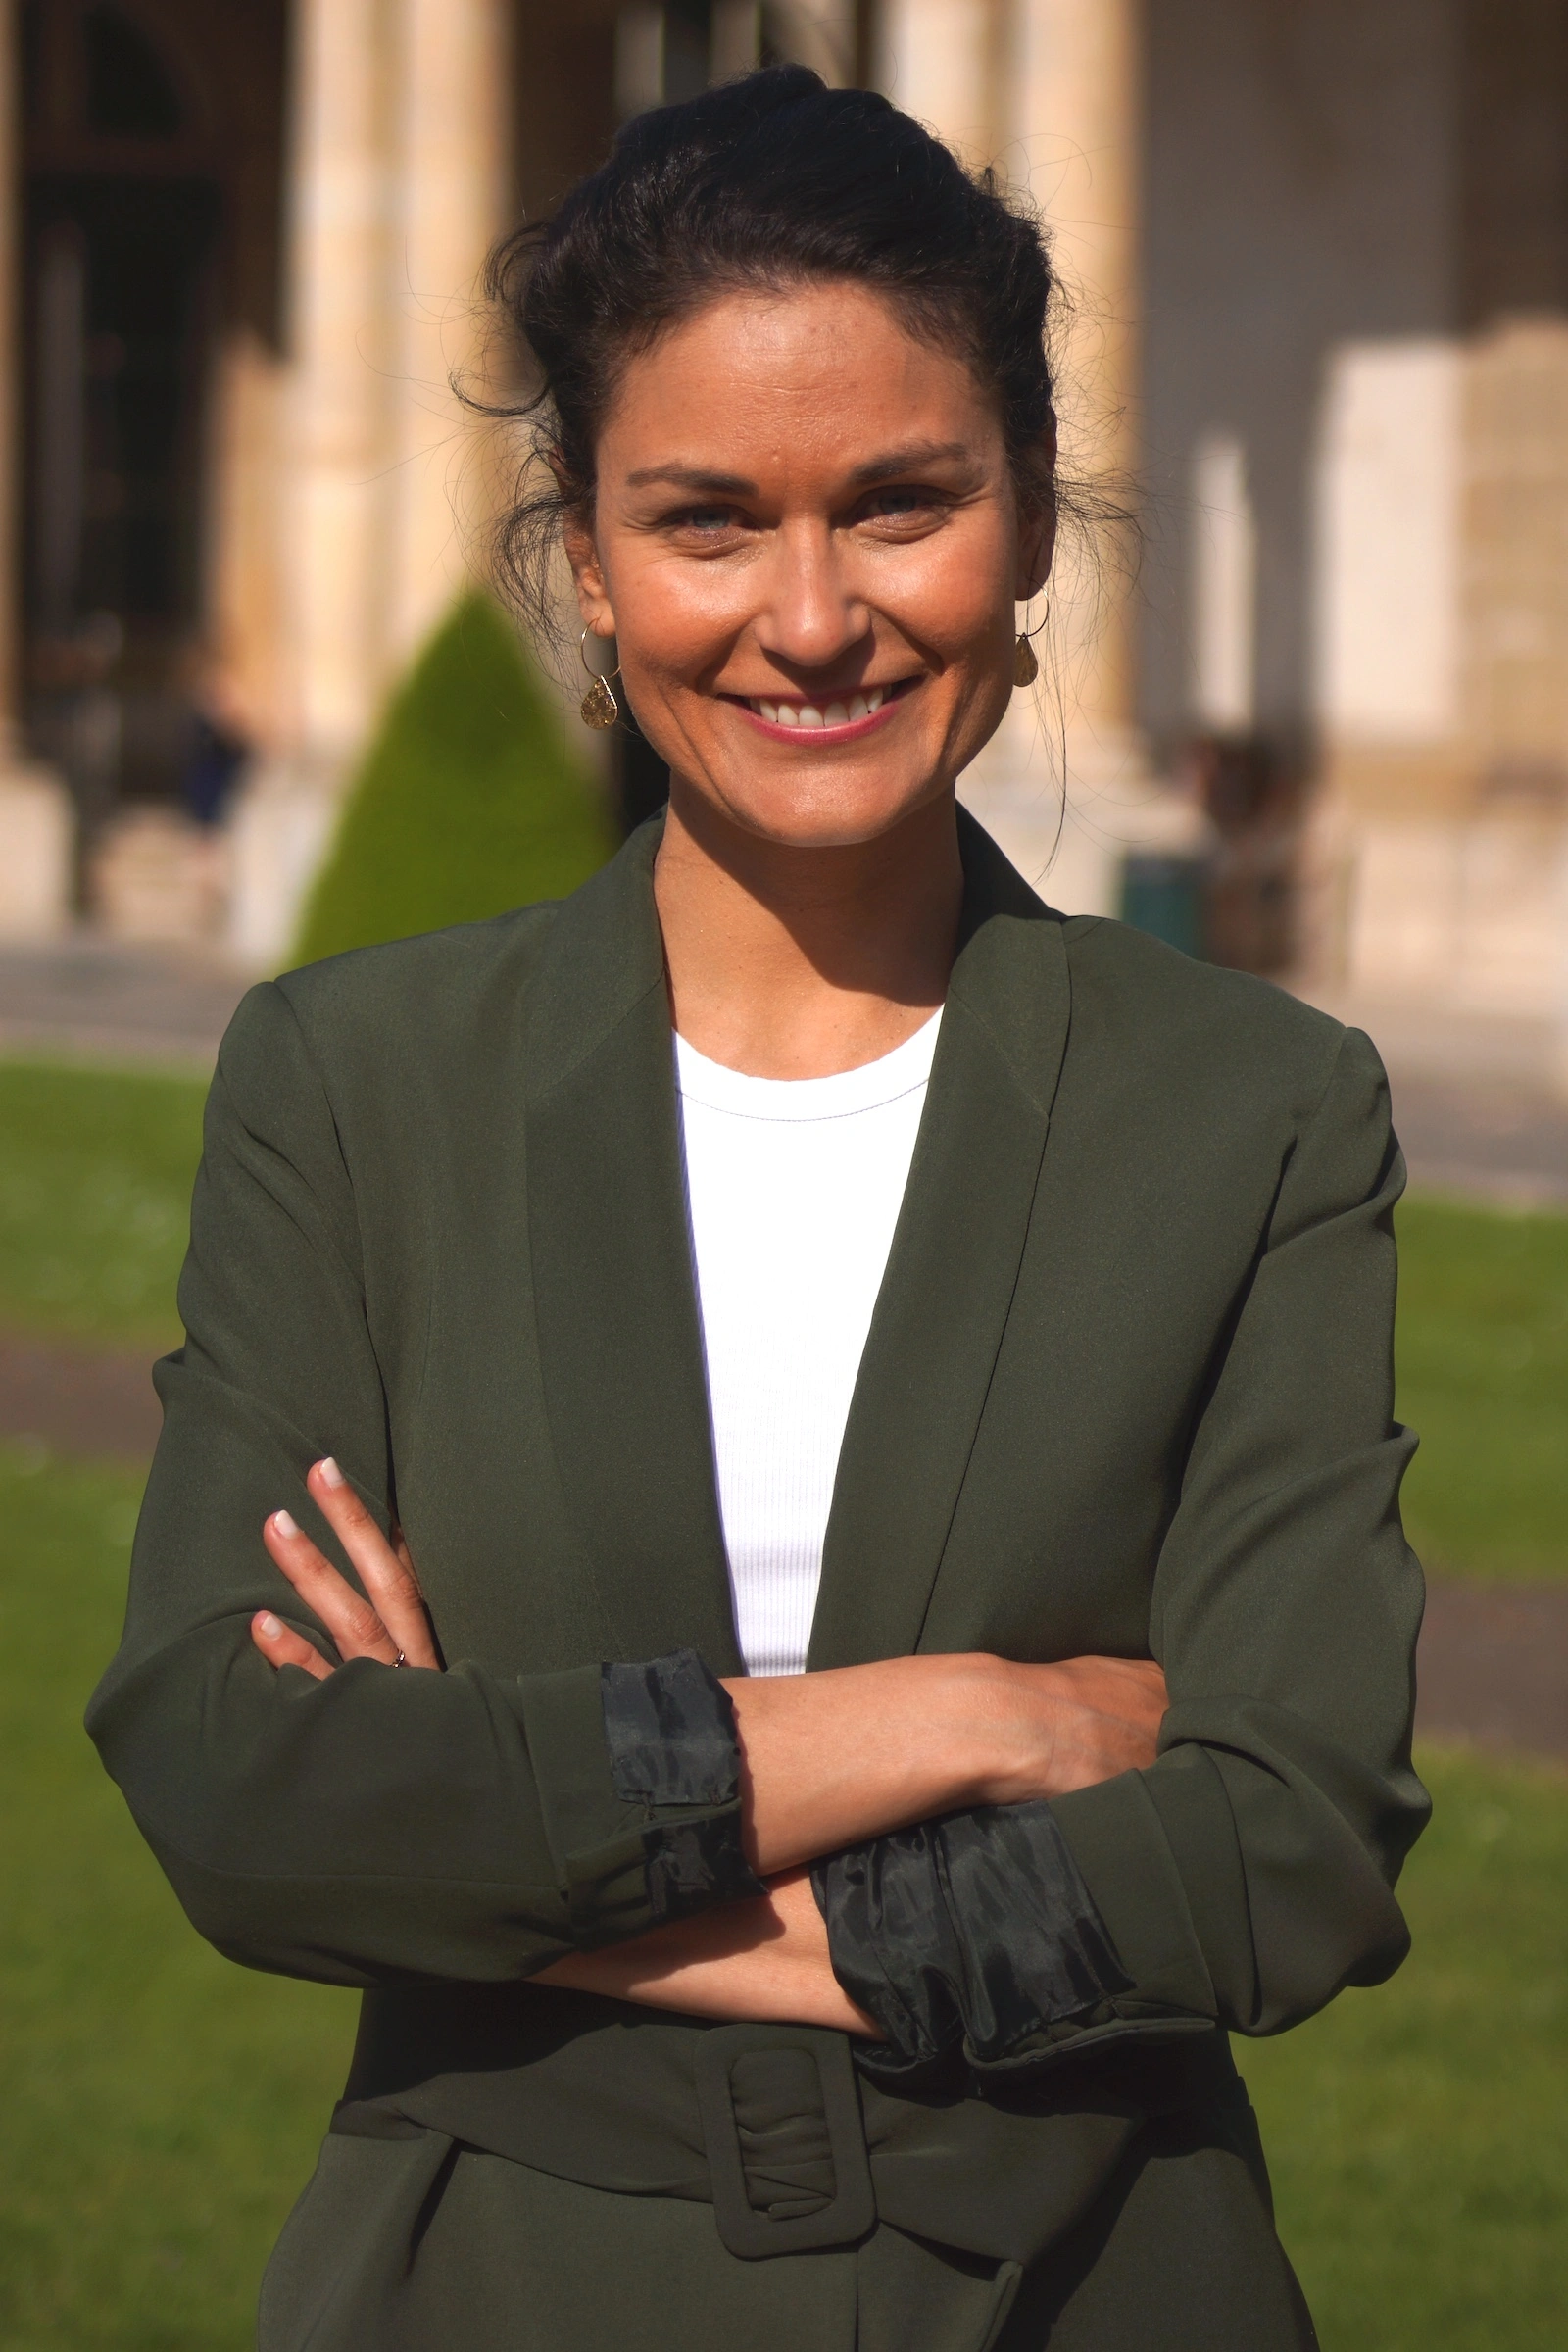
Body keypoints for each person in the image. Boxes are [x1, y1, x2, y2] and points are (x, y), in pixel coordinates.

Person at [87, 68, 1428, 2352]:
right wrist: (979, 1718)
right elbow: (243, 1781)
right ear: (588, 561)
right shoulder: (360, 1083)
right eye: (706, 522)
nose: (809, 620)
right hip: (489, 2289)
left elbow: (1283, 1851)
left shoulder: (1255, 1113)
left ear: (1019, 528)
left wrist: (507, 1874)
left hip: (1093, 2286)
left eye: (896, 504)